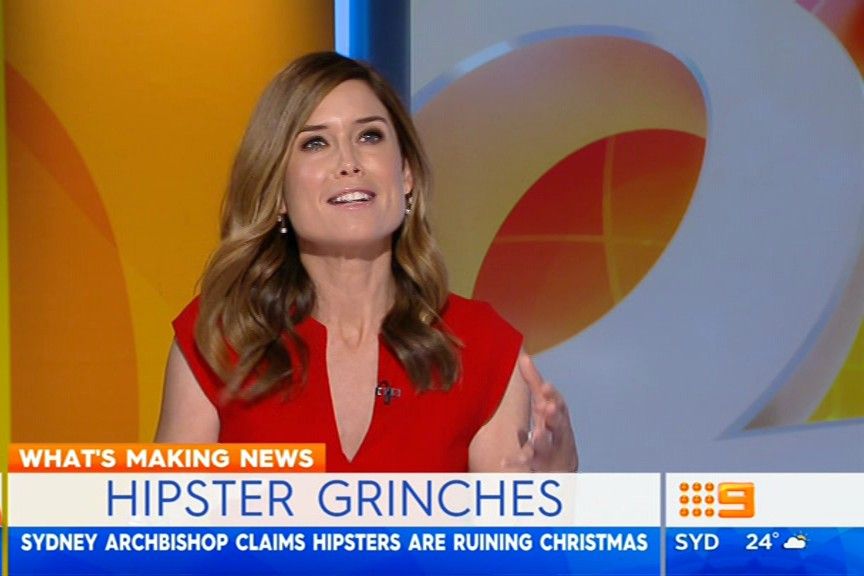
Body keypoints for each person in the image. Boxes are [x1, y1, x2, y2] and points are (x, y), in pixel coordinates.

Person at [155, 52, 578, 473]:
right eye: (315, 143)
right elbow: (165, 512)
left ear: (406, 174)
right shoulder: (219, 340)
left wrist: (555, 488)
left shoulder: (482, 347)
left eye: (370, 136)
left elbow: (508, 517)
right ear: (278, 192)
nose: (349, 163)